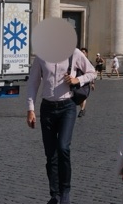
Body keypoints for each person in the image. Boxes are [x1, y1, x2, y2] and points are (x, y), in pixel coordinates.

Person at [26, 44, 97, 204]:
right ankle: (55, 194)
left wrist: (77, 80)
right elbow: (33, 83)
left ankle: (65, 191)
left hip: (67, 107)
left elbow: (92, 72)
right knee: (50, 154)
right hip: (47, 108)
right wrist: (30, 109)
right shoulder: (41, 56)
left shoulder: (74, 53)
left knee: (63, 147)